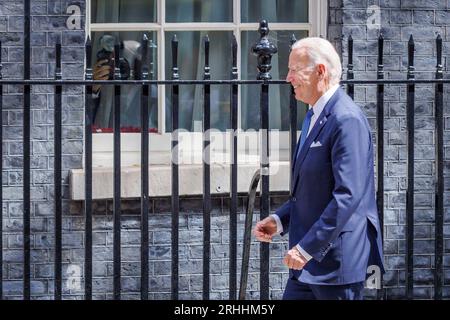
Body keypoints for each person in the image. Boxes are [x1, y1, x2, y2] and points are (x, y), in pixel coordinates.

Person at [252, 37, 385, 300]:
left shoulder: (346, 119)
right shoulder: (314, 115)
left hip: (337, 266)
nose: (288, 77)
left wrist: (306, 249)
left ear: (320, 72)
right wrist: (280, 221)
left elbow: (347, 196)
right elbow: (312, 189)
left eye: (294, 70)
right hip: (306, 266)